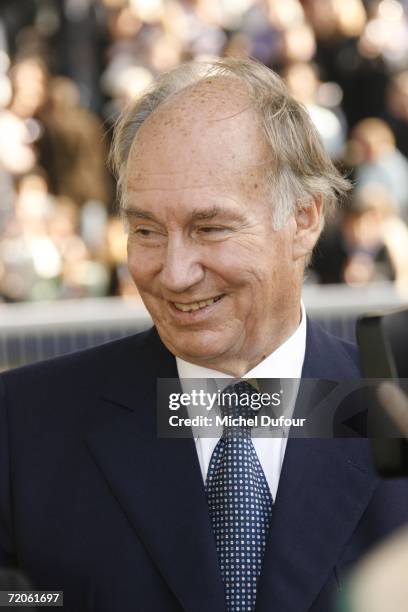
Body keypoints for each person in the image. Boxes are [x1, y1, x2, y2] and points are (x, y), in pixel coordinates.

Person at [1, 58, 408, 612]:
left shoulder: (393, 413)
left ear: (305, 218)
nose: (173, 272)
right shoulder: (23, 427)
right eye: (145, 230)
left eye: (209, 228)